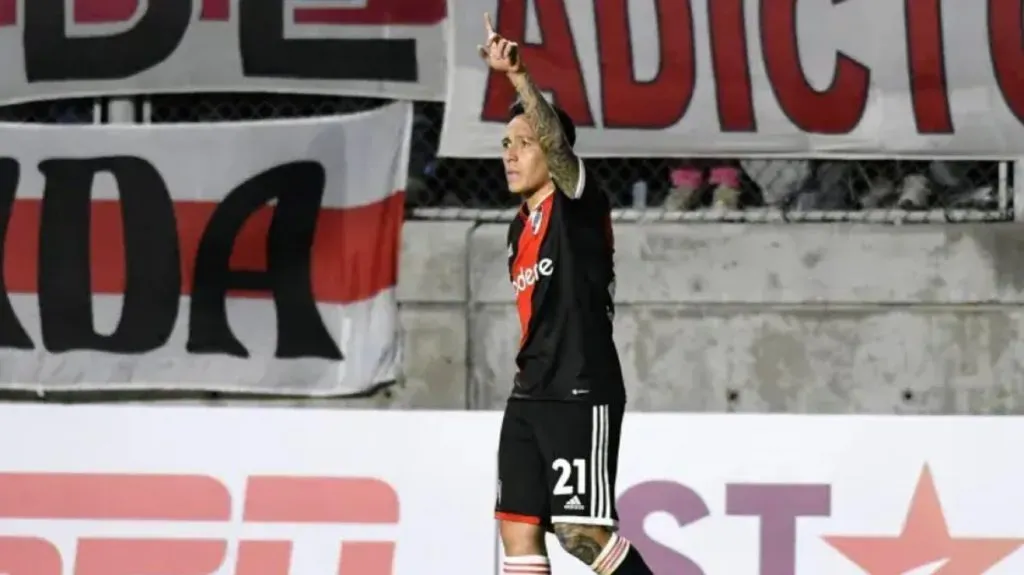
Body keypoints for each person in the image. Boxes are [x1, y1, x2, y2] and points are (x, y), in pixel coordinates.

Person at [478, 13, 655, 575]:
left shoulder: (577, 204)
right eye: (506, 144)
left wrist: (517, 77)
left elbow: (557, 146)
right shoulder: (518, 227)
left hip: (580, 387)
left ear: (552, 154)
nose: (510, 154)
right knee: (517, 530)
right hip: (529, 391)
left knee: (581, 535)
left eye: (524, 143)